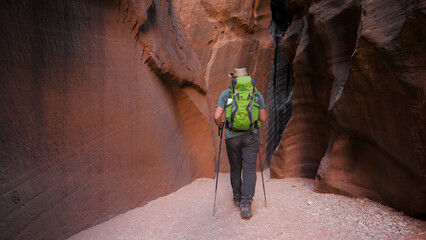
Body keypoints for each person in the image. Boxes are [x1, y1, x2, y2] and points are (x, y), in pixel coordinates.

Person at [213, 68, 267, 219]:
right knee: (249, 169)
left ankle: (237, 197)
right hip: (251, 136)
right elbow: (263, 118)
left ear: (234, 80)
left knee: (235, 168)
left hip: (232, 137)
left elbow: (217, 115)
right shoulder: (256, 93)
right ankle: (246, 204)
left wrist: (221, 125)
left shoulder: (226, 94)